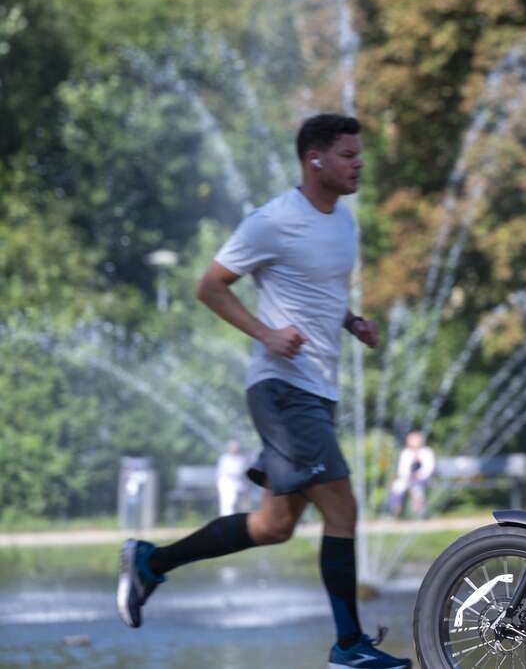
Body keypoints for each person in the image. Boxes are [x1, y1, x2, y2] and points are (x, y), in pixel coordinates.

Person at [117, 114, 412, 668]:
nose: (359, 164)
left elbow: (316, 289)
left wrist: (351, 322)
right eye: (348, 155)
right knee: (343, 509)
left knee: (272, 526)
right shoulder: (272, 221)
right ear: (315, 159)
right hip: (282, 391)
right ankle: (349, 646)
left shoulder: (343, 221)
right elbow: (209, 286)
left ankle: (151, 563)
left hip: (316, 392)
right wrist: (266, 334)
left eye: (359, 154)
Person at [389, 430, 436, 519]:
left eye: (415, 439)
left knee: (417, 488)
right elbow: (402, 469)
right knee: (397, 486)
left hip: (423, 479)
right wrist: (408, 476)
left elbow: (429, 468)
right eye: (411, 439)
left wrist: (418, 475)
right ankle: (395, 510)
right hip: (407, 478)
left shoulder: (427, 452)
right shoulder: (405, 453)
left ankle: (420, 511)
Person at [216, 440, 249, 516]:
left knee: (238, 504)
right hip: (227, 483)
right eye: (233, 447)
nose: (234, 449)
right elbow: (224, 472)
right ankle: (226, 520)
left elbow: (243, 472)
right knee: (228, 503)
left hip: (239, 484)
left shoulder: (241, 459)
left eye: (236, 448)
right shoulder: (224, 458)